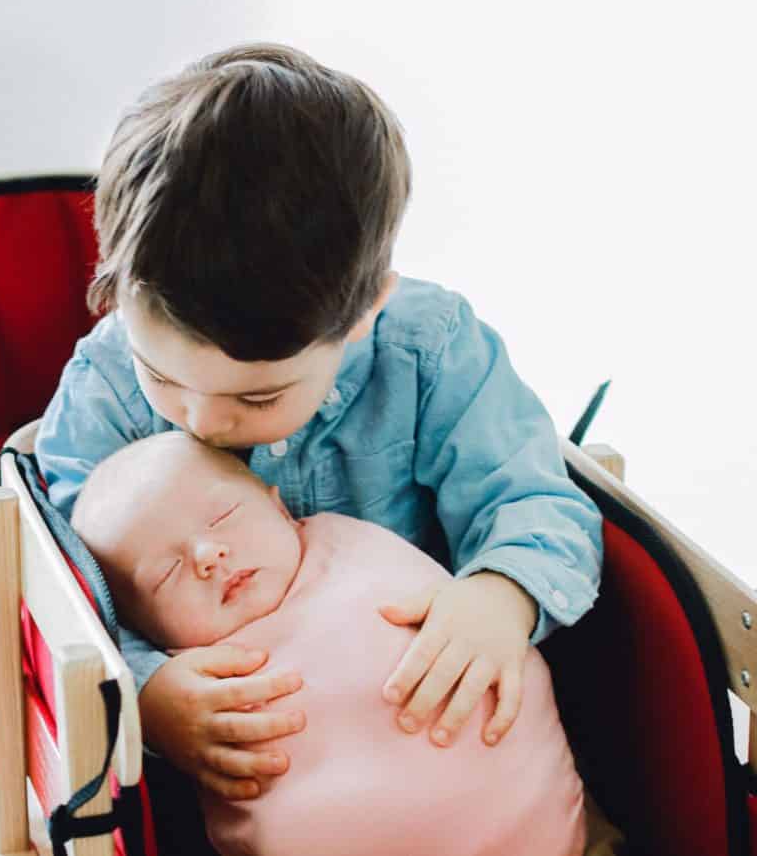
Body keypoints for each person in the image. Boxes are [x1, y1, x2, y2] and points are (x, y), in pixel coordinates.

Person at [36, 42, 603, 808]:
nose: (201, 420)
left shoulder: (428, 350)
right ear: (116, 296)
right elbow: (66, 594)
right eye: (163, 376)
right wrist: (147, 689)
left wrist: (501, 594)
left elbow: (539, 504)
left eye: (259, 398)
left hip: (431, 749)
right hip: (253, 780)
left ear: (364, 313)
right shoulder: (102, 393)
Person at [72, 432, 590, 856]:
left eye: (222, 517)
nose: (208, 553)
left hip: (534, 822)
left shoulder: (353, 544)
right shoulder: (190, 679)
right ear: (145, 626)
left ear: (278, 506)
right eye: (167, 574)